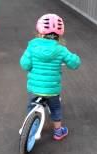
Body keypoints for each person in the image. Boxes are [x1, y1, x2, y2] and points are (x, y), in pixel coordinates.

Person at [20, 13, 81, 141]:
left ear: (39, 32)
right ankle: (58, 132)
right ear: (59, 34)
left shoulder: (32, 46)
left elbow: (25, 64)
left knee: (31, 106)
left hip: (34, 88)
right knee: (55, 108)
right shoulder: (61, 50)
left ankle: (27, 125)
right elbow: (74, 64)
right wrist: (75, 57)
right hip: (52, 90)